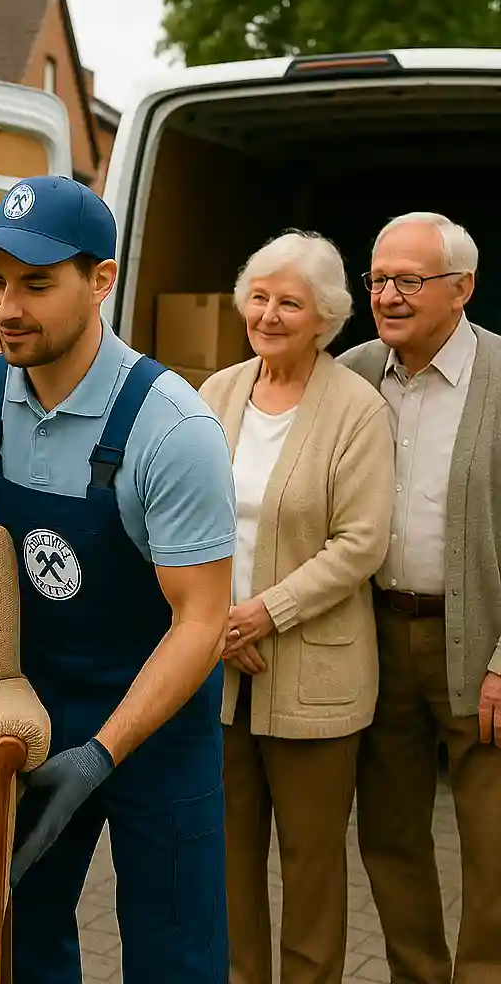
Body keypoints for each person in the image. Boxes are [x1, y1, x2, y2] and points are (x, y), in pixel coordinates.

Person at [0, 174, 236, 983]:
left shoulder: (171, 428)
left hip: (158, 714)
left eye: (36, 284)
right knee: (17, 935)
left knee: (175, 949)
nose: (7, 306)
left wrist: (102, 753)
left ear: (101, 280)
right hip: (31, 707)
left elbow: (202, 622)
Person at [198, 231, 394, 984]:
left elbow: (360, 542)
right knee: (225, 860)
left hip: (315, 681)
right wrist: (217, 619)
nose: (269, 313)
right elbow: (173, 519)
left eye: (290, 301)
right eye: (259, 295)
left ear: (326, 317)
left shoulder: (356, 409)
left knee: (312, 869)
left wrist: (262, 614)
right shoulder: (214, 393)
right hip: (216, 669)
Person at [339, 212, 501, 984]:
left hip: (483, 646)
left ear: (462, 288)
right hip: (377, 636)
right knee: (391, 835)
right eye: (377, 279)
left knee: (492, 844)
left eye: (410, 280)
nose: (388, 295)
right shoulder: (355, 370)